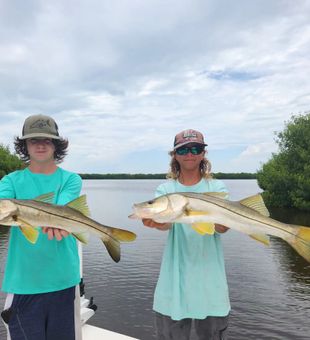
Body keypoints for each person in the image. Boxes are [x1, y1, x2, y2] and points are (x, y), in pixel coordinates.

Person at [0, 114, 82, 340]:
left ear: (56, 144)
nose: (40, 144)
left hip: (64, 280)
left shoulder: (71, 179)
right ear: (24, 144)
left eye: (46, 139)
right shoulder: (10, 181)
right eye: (33, 139)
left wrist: (59, 221)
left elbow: (61, 207)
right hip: (23, 284)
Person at [143, 129, 230, 340]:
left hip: (211, 282)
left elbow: (222, 228)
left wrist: (222, 221)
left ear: (203, 154)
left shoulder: (216, 187)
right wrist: (156, 222)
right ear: (175, 155)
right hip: (173, 283)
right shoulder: (166, 189)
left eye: (196, 148)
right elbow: (165, 225)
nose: (189, 154)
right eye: (183, 150)